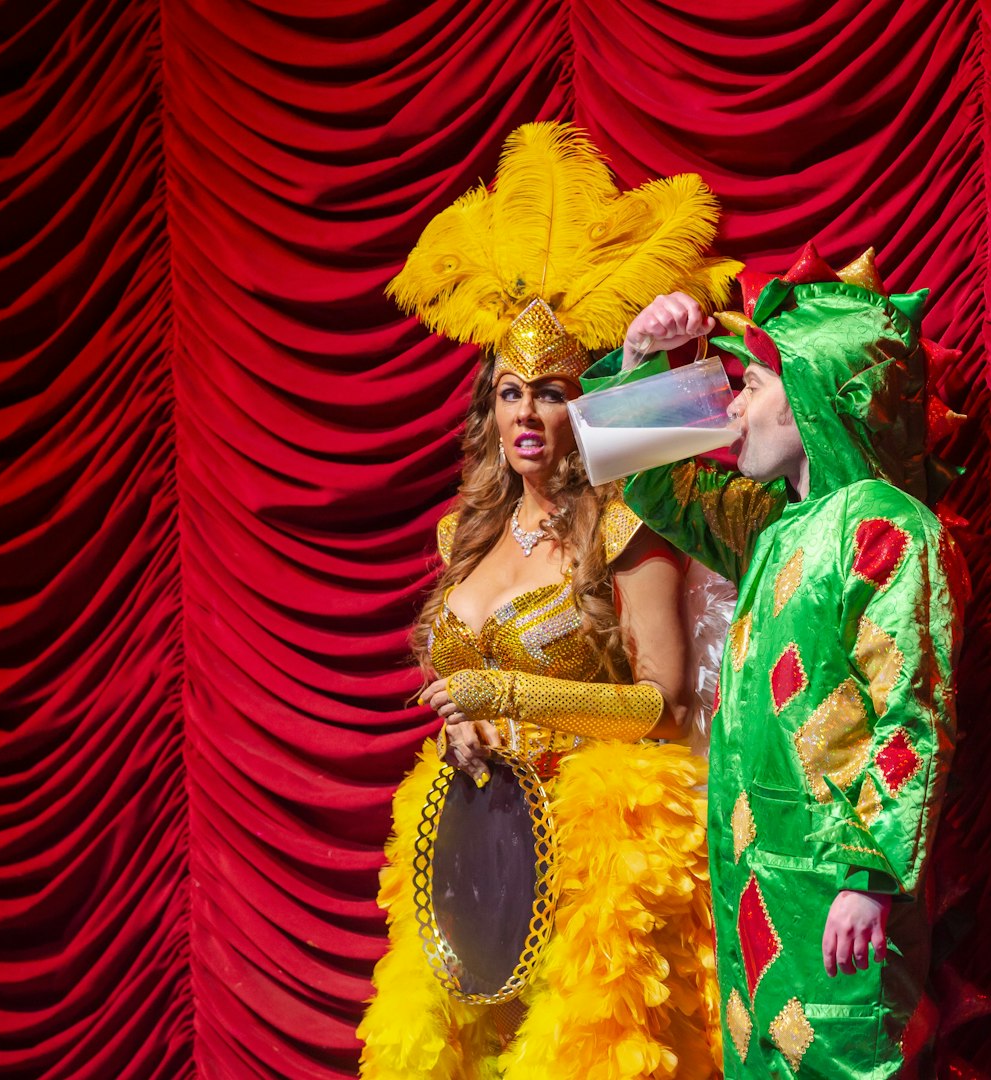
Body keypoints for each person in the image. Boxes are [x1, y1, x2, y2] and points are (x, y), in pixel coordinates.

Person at [357, 121, 740, 1080]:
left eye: (553, 391)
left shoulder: (626, 524)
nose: (528, 414)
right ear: (488, 406)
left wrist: (512, 699)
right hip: (480, 837)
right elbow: (462, 689)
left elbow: (664, 704)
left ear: (587, 402)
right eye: (510, 391)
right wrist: (465, 729)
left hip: (596, 855)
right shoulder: (464, 533)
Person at [582, 245, 967, 1078]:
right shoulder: (773, 525)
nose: (733, 409)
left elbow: (912, 710)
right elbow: (648, 483)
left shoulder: (886, 528)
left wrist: (872, 875)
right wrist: (646, 360)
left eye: (752, 387)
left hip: (837, 892)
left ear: (813, 403)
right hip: (759, 891)